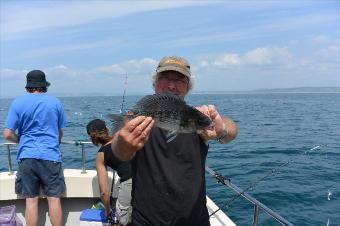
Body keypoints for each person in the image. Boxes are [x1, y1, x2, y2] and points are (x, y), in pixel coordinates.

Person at [111, 56, 238, 226]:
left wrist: (222, 131)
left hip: (195, 220)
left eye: (179, 80)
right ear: (155, 83)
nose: (171, 85)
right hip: (147, 221)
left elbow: (231, 128)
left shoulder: (198, 118)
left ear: (187, 87)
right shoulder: (137, 123)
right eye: (165, 78)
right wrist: (124, 143)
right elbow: (119, 150)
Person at [3, 70, 67, 226]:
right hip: (50, 156)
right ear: (44, 85)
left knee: (31, 202)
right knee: (54, 200)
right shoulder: (55, 103)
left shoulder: (18, 103)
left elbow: (7, 134)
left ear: (28, 87)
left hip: (27, 156)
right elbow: (59, 133)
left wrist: (21, 141)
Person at [87, 119, 132, 226]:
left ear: (92, 138)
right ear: (107, 129)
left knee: (123, 220)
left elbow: (104, 192)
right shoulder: (122, 137)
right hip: (148, 178)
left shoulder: (101, 155)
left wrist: (108, 210)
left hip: (129, 183)